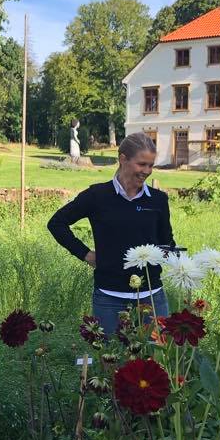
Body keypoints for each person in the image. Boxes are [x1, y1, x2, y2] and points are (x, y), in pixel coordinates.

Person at [47, 132, 175, 334]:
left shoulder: (158, 200)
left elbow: (166, 242)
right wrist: (86, 254)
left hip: (152, 298)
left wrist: (172, 256)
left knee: (157, 360)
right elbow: (57, 223)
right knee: (110, 360)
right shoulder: (97, 196)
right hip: (109, 299)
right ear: (123, 159)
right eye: (142, 164)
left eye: (151, 165)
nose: (147, 171)